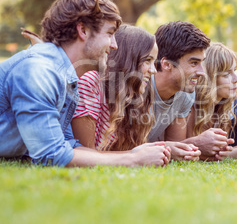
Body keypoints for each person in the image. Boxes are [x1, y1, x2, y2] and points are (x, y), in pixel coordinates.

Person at [0, 0, 170, 167]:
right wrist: (133, 160)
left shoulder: (66, 79)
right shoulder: (40, 71)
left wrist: (134, 152)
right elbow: (51, 155)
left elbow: (69, 146)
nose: (115, 45)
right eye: (110, 34)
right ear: (83, 30)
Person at [70, 24, 197, 161]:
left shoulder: (136, 95)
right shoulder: (92, 83)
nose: (153, 70)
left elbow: (130, 151)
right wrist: (135, 156)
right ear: (128, 59)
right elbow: (86, 153)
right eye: (148, 61)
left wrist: (163, 148)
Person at [148, 21, 233, 159]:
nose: (202, 72)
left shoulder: (185, 95)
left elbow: (177, 148)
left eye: (201, 63)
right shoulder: (140, 87)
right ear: (167, 64)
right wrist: (196, 143)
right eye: (194, 63)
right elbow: (125, 148)